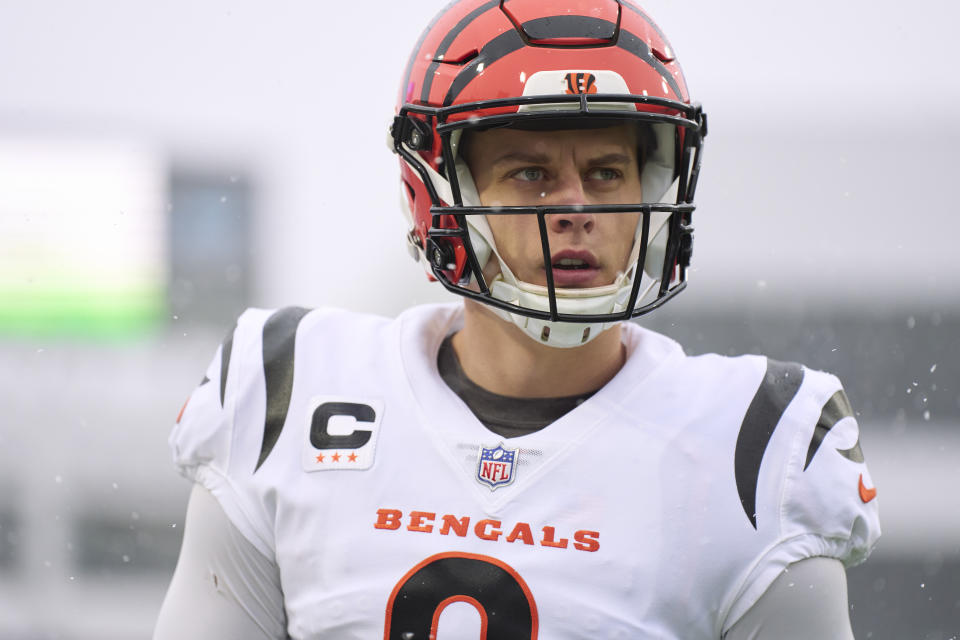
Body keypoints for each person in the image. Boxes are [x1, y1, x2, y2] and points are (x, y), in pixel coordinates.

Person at [154, 1, 880, 638]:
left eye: (606, 172)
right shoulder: (286, 388)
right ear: (435, 192)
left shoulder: (755, 445)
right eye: (530, 173)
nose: (577, 209)